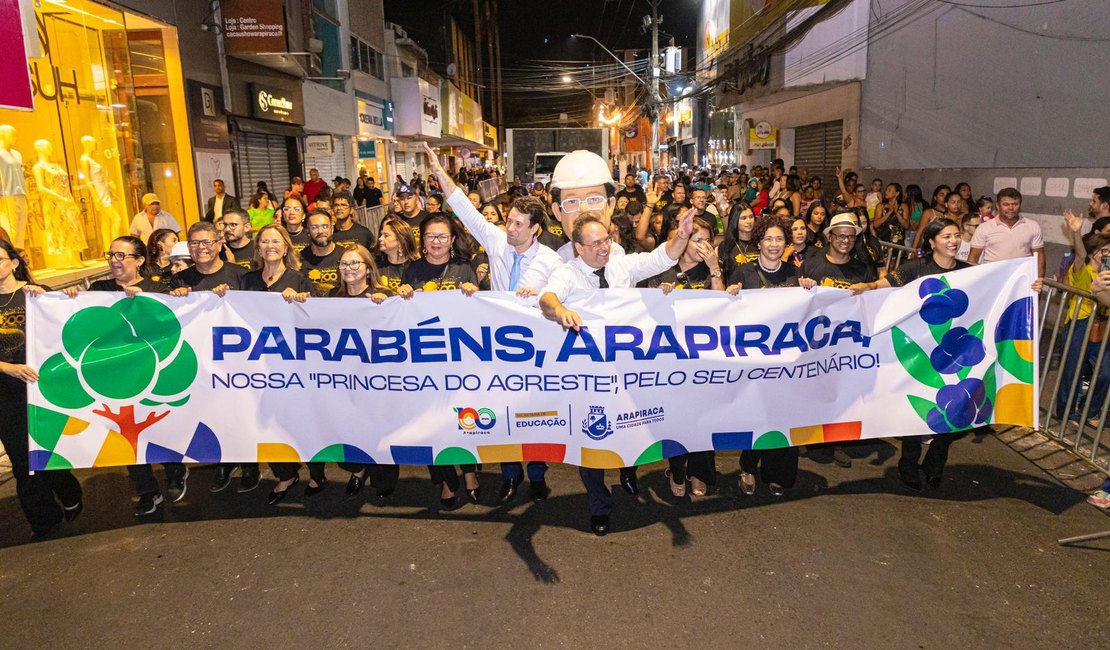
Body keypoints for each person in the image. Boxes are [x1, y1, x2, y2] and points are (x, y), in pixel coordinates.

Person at [539, 208, 696, 536]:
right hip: (588, 377)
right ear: (579, 248)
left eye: (606, 239)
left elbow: (660, 258)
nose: (603, 247)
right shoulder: (568, 273)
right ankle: (599, 505)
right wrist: (561, 310)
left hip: (626, 372)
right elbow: (547, 298)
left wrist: (681, 235)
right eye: (594, 243)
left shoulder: (622, 265)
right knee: (590, 440)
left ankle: (628, 471)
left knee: (631, 426)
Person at [426, 142, 563, 502]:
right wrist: (441, 175)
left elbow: (565, 293)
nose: (509, 226)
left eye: (518, 223)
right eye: (509, 220)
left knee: (534, 416)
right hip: (498, 349)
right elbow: (467, 211)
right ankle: (510, 475)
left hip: (535, 352)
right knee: (502, 415)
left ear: (534, 228)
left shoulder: (551, 260)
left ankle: (537, 475)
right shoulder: (497, 242)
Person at [65, 236, 181, 514]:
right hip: (115, 376)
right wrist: (69, 297)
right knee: (127, 434)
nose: (114, 261)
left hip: (154, 372)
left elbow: (174, 324)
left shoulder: (159, 287)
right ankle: (147, 491)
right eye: (111, 254)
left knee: (160, 427)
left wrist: (168, 298)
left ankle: (175, 470)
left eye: (122, 255)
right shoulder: (99, 289)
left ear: (140, 260)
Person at [0, 240, 83, 539]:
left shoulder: (36, 294)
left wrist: (66, 297)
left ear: (13, 262)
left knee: (50, 451)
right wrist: (7, 368)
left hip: (43, 386)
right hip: (5, 391)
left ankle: (69, 490)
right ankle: (43, 521)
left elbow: (66, 325)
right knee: (22, 460)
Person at [397, 215, 481, 508]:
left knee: (463, 419)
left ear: (452, 240)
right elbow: (402, 316)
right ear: (423, 241)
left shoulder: (463, 268)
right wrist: (403, 294)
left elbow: (478, 314)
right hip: (424, 360)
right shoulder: (413, 270)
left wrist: (474, 294)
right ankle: (446, 479)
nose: (436, 242)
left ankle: (470, 472)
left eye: (442, 236)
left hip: (459, 359)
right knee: (430, 423)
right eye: (431, 236)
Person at [725, 216, 813, 495]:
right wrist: (731, 293)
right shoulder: (744, 273)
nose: (774, 245)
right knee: (756, 416)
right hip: (755, 362)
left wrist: (810, 288)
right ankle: (749, 466)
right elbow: (728, 314)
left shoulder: (795, 274)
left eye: (779, 240)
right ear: (759, 242)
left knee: (785, 417)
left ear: (786, 243)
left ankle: (779, 474)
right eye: (769, 239)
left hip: (787, 361)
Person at [168, 222, 258, 493]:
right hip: (199, 361)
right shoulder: (181, 280)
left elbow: (258, 311)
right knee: (211, 414)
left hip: (237, 359)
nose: (201, 248)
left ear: (219, 244)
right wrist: (176, 297)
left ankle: (249, 464)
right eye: (195, 243)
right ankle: (223, 462)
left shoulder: (242, 275)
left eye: (207, 242)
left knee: (240, 414)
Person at [644, 216, 723, 497]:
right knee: (676, 417)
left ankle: (699, 472)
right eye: (698, 240)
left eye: (708, 241)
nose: (704, 246)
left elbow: (724, 309)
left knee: (703, 418)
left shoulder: (711, 270)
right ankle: (677, 469)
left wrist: (715, 268)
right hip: (671, 358)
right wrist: (659, 297)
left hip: (704, 358)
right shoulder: (663, 268)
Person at [798, 212, 880, 469]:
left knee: (841, 394)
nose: (845, 241)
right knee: (810, 390)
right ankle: (805, 436)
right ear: (829, 237)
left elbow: (874, 302)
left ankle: (835, 442)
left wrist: (872, 288)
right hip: (813, 343)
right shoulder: (812, 264)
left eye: (850, 237)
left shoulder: (862, 269)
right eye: (840, 236)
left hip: (846, 344)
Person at [331, 245, 402, 499]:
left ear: (368, 268)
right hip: (345, 379)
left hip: (377, 378)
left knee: (378, 429)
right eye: (344, 264)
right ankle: (358, 469)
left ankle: (383, 478)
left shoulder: (383, 296)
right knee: (350, 428)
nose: (349, 269)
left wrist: (387, 304)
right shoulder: (331, 297)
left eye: (355, 264)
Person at [968, 188, 1046, 279]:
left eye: (1015, 204)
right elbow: (973, 259)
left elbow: (1039, 257)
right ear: (997, 206)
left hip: (1022, 280)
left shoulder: (1032, 226)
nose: (1011, 208)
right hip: (992, 280)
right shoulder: (984, 228)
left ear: (1020, 205)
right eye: (1006, 204)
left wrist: (1039, 279)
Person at [300, 210, 346, 297]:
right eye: (314, 227)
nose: (320, 231)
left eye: (325, 226)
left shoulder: (345, 255)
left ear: (332, 229)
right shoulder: (299, 259)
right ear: (308, 232)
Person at [376, 217, 418, 291]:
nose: (380, 238)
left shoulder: (416, 267)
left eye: (386, 235)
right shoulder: (376, 264)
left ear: (401, 240)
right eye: (381, 234)